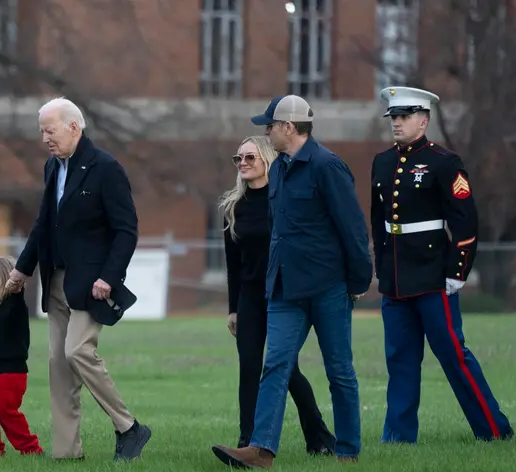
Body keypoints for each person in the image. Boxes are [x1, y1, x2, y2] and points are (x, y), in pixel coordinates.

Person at [212, 95, 373, 469]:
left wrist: (358, 279)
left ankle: (347, 450)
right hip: (284, 289)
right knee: (275, 364)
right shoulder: (281, 168)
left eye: (269, 125)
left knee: (339, 370)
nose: (266, 131)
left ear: (288, 127)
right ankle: (260, 449)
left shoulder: (327, 166)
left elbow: (351, 228)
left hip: (327, 286)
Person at [4, 97, 151, 461]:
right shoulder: (52, 167)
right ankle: (67, 453)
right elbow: (43, 225)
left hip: (92, 285)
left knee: (77, 351)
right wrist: (23, 269)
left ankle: (129, 427)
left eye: (49, 130)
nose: (44, 139)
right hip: (56, 281)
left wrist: (109, 276)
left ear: (74, 127)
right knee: (58, 365)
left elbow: (126, 230)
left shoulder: (106, 168)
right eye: (41, 131)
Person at [371, 86, 513, 443]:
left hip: (434, 276)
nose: (397, 124)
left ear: (424, 119)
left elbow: (465, 221)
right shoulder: (383, 162)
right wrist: (382, 266)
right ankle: (398, 439)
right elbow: (379, 222)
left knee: (454, 357)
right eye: (394, 118)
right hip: (396, 278)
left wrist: (457, 271)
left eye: (404, 117)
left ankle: (494, 430)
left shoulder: (444, 162)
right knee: (400, 361)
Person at [218, 135, 336, 456]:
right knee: (249, 365)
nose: (242, 163)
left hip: (283, 295)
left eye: (250, 158)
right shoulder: (233, 208)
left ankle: (319, 437)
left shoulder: (282, 200)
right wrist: (233, 309)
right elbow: (233, 265)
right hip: (250, 298)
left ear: (268, 160)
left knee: (285, 368)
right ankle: (247, 442)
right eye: (238, 158)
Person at [0, 256, 44, 456]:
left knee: (7, 414)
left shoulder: (15, 307)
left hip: (10, 375)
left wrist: (14, 283)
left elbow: (16, 293)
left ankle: (30, 448)